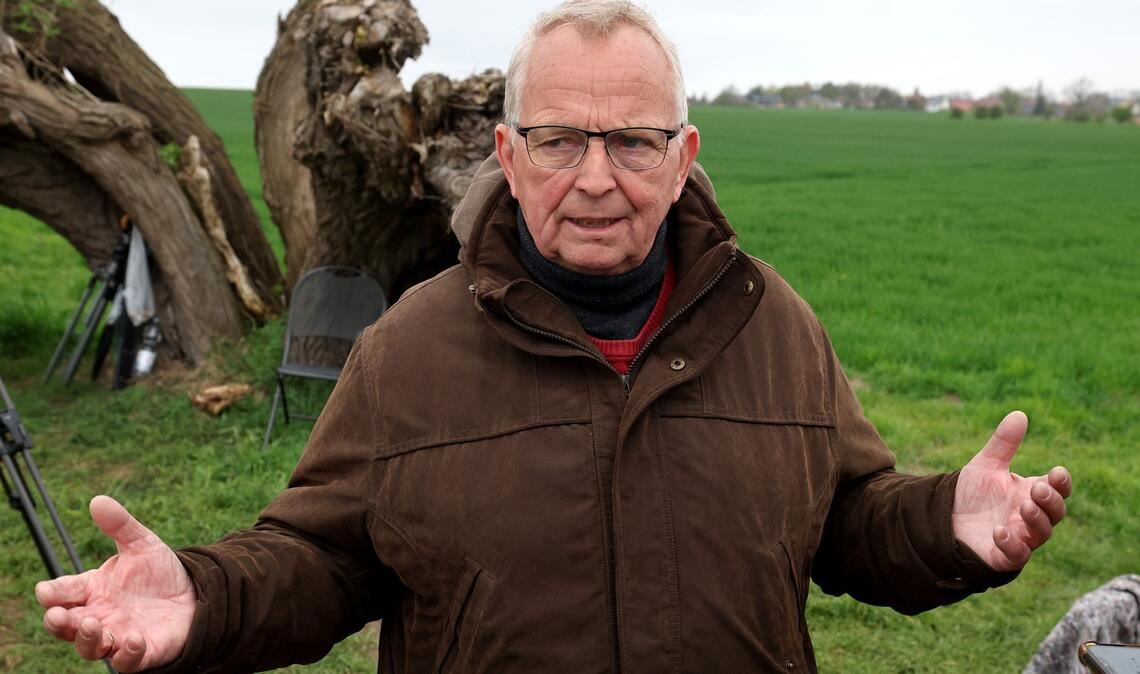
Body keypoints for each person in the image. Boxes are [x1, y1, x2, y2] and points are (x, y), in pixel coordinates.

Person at [36, 2, 1073, 672]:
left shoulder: (774, 326)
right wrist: (205, 593)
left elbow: (846, 521)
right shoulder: (410, 351)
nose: (594, 176)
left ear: (683, 155)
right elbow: (322, 557)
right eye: (560, 138)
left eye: (631, 139)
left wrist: (943, 522)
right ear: (508, 152)